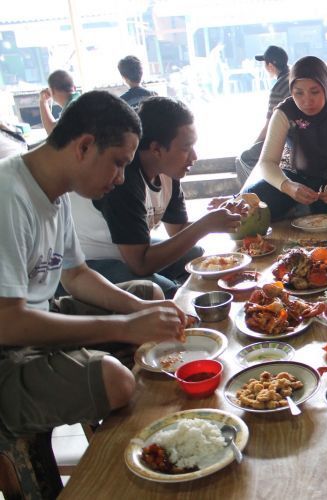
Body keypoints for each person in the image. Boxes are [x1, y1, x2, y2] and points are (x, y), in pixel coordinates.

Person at [0, 90, 187, 439]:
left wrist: (142, 308)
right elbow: (8, 323)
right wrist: (123, 326)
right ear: (84, 146)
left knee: (150, 292)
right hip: (7, 350)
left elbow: (76, 275)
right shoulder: (8, 195)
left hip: (36, 315)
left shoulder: (54, 189)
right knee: (114, 380)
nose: (119, 178)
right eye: (118, 163)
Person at [71, 97, 245, 298]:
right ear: (156, 149)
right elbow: (140, 265)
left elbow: (177, 230)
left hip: (132, 251)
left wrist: (221, 217)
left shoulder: (168, 170)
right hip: (93, 261)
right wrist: (205, 225)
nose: (194, 157)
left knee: (195, 254)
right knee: (161, 289)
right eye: (186, 148)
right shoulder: (122, 179)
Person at [242, 55, 327, 220]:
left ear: (326, 86)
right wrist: (289, 188)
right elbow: (266, 163)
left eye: (315, 91)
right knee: (251, 198)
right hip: (294, 178)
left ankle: (303, 208)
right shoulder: (284, 111)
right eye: (298, 93)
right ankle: (313, 206)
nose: (307, 100)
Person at [236, 45, 291, 185]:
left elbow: (269, 126)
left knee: (245, 158)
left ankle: (256, 192)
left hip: (287, 140)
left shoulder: (278, 88)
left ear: (271, 66)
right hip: (296, 137)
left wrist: (254, 145)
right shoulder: (293, 79)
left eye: (265, 64)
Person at [39, 69, 81, 134]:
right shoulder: (80, 100)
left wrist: (43, 102)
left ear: (52, 91)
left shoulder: (71, 108)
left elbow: (53, 132)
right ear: (74, 88)